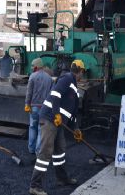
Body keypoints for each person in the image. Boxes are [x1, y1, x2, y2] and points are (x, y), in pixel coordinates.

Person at [29, 60, 85, 195]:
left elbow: (73, 114)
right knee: (45, 152)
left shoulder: (74, 88)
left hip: (58, 122)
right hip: (49, 119)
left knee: (60, 150)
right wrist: (56, 114)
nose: (83, 74)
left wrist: (76, 128)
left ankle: (62, 179)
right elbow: (55, 95)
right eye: (83, 71)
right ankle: (35, 186)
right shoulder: (67, 78)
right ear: (80, 71)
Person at [25, 58, 53, 155]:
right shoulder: (49, 78)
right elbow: (51, 95)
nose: (32, 68)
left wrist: (27, 104)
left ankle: (31, 149)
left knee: (32, 127)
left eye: (33, 66)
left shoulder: (32, 76)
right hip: (44, 109)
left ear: (36, 67)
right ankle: (38, 152)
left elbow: (29, 92)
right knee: (41, 130)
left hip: (33, 108)